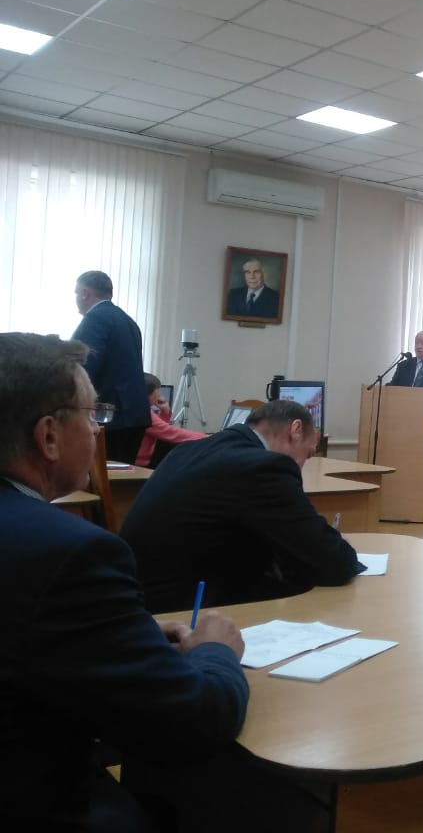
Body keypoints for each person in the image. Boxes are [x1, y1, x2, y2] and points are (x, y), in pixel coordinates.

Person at [0, 332, 249, 831]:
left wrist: (111, 637)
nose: (98, 430)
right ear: (49, 436)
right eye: (92, 415)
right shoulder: (70, 553)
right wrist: (214, 651)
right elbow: (190, 725)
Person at [120, 399, 364, 614]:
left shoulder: (192, 450)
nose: (302, 466)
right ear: (295, 430)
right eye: (307, 455)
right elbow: (333, 562)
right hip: (181, 612)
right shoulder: (263, 467)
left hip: (135, 598)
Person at [72, 270, 150, 462]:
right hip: (135, 415)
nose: (76, 299)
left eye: (76, 293)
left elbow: (82, 369)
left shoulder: (95, 319)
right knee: (122, 476)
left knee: (100, 476)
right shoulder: (129, 322)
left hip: (108, 417)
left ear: (85, 293)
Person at [136, 372, 205, 469]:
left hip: (139, 460)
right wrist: (209, 438)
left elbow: (158, 431)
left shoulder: (137, 408)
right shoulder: (143, 413)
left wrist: (165, 411)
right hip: (139, 464)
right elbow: (170, 432)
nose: (159, 395)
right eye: (158, 391)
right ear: (148, 394)